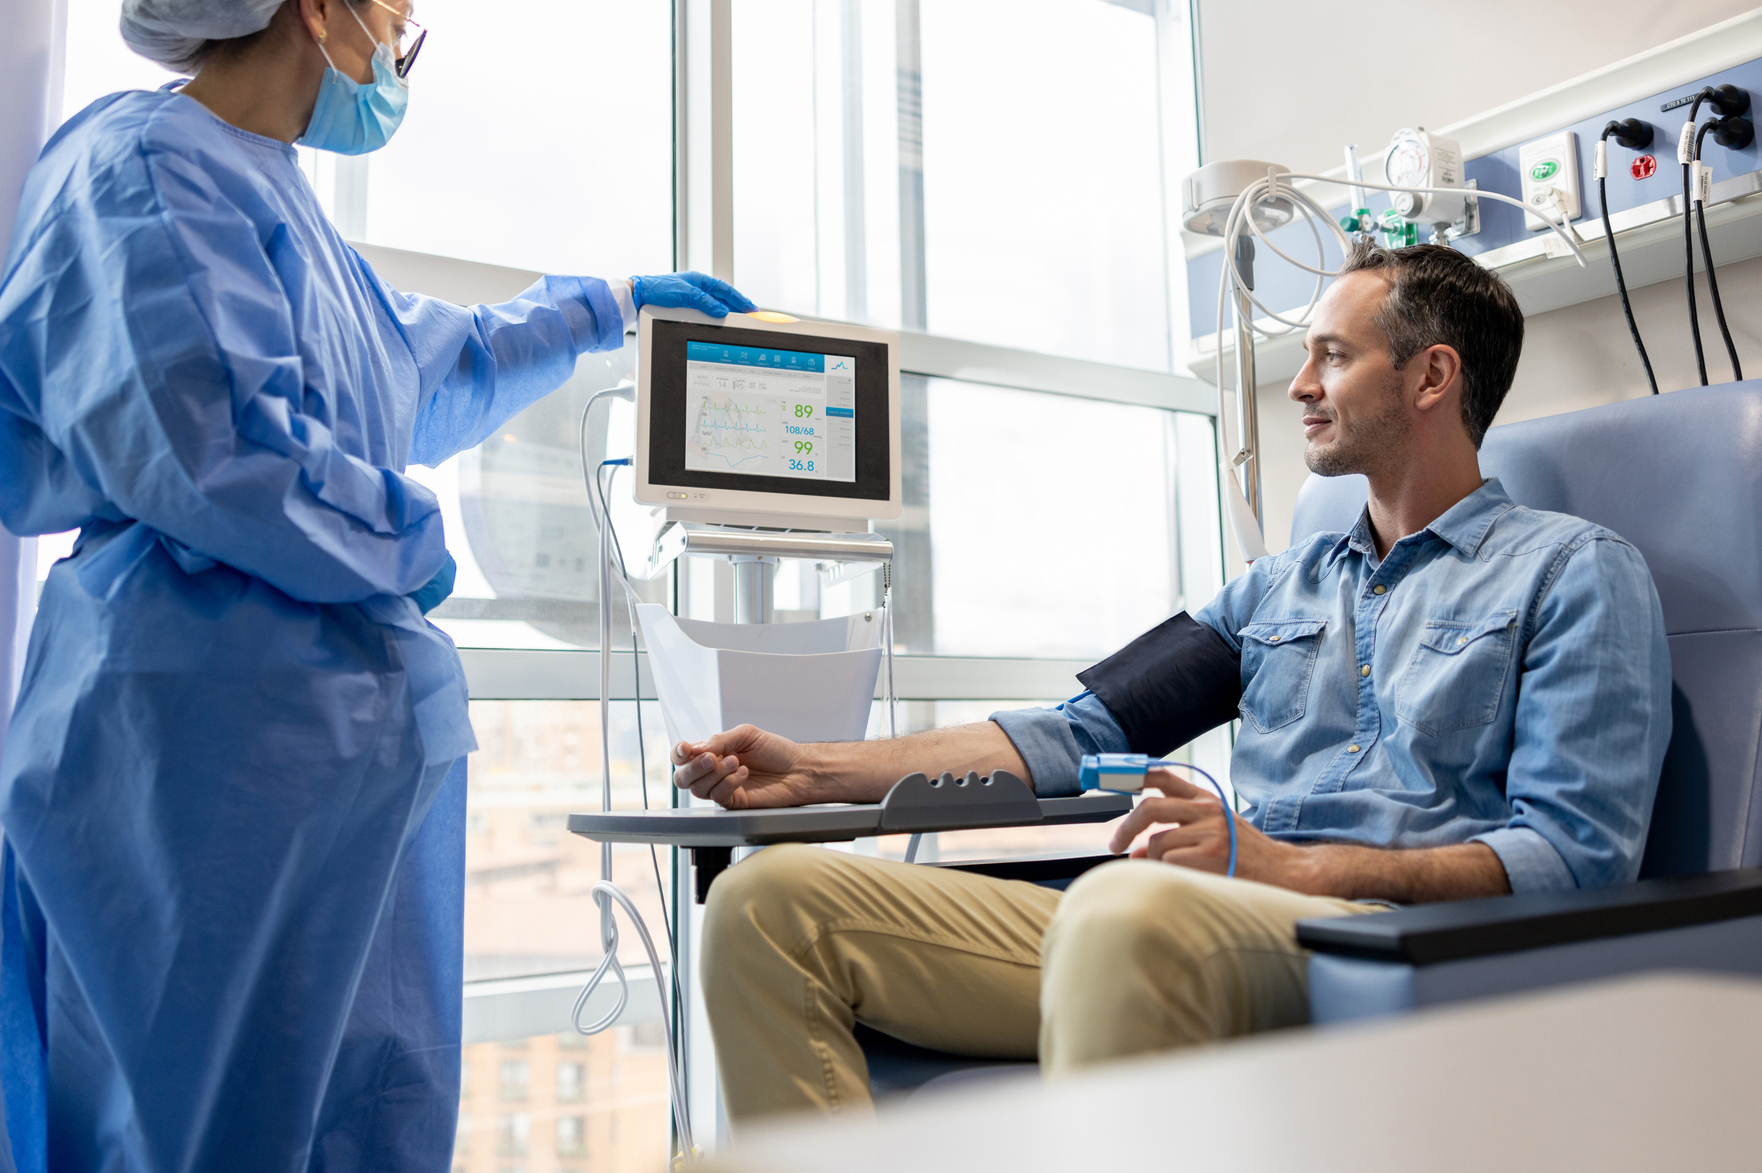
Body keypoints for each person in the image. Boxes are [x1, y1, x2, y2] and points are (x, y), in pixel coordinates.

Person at [0, 0, 752, 1173]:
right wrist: (415, 544)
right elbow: (220, 451)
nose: (398, 66)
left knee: (357, 1113)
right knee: (197, 1122)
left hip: (333, 758)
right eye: (403, 30)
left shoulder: (276, 204)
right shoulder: (144, 168)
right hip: (201, 738)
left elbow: (416, 370)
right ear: (321, 2)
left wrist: (604, 304)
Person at [676, 243, 1672, 1121]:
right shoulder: (1276, 588)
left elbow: (1571, 855)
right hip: (1196, 916)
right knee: (767, 904)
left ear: (1429, 377)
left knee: (1126, 909)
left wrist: (1288, 866)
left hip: (1387, 941)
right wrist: (813, 771)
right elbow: (1075, 733)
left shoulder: (1569, 570)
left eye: (1331, 354)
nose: (1297, 386)